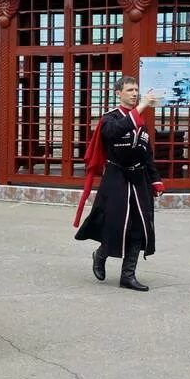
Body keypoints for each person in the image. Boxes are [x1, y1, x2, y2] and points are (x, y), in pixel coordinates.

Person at [74, 76, 166, 292]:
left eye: (136, 90)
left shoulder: (140, 121)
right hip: (116, 178)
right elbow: (114, 132)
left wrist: (156, 180)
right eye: (129, 90)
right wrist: (141, 107)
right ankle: (101, 254)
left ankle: (128, 275)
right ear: (118, 93)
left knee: (140, 228)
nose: (134, 93)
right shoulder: (110, 119)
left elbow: (147, 154)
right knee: (115, 225)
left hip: (139, 179)